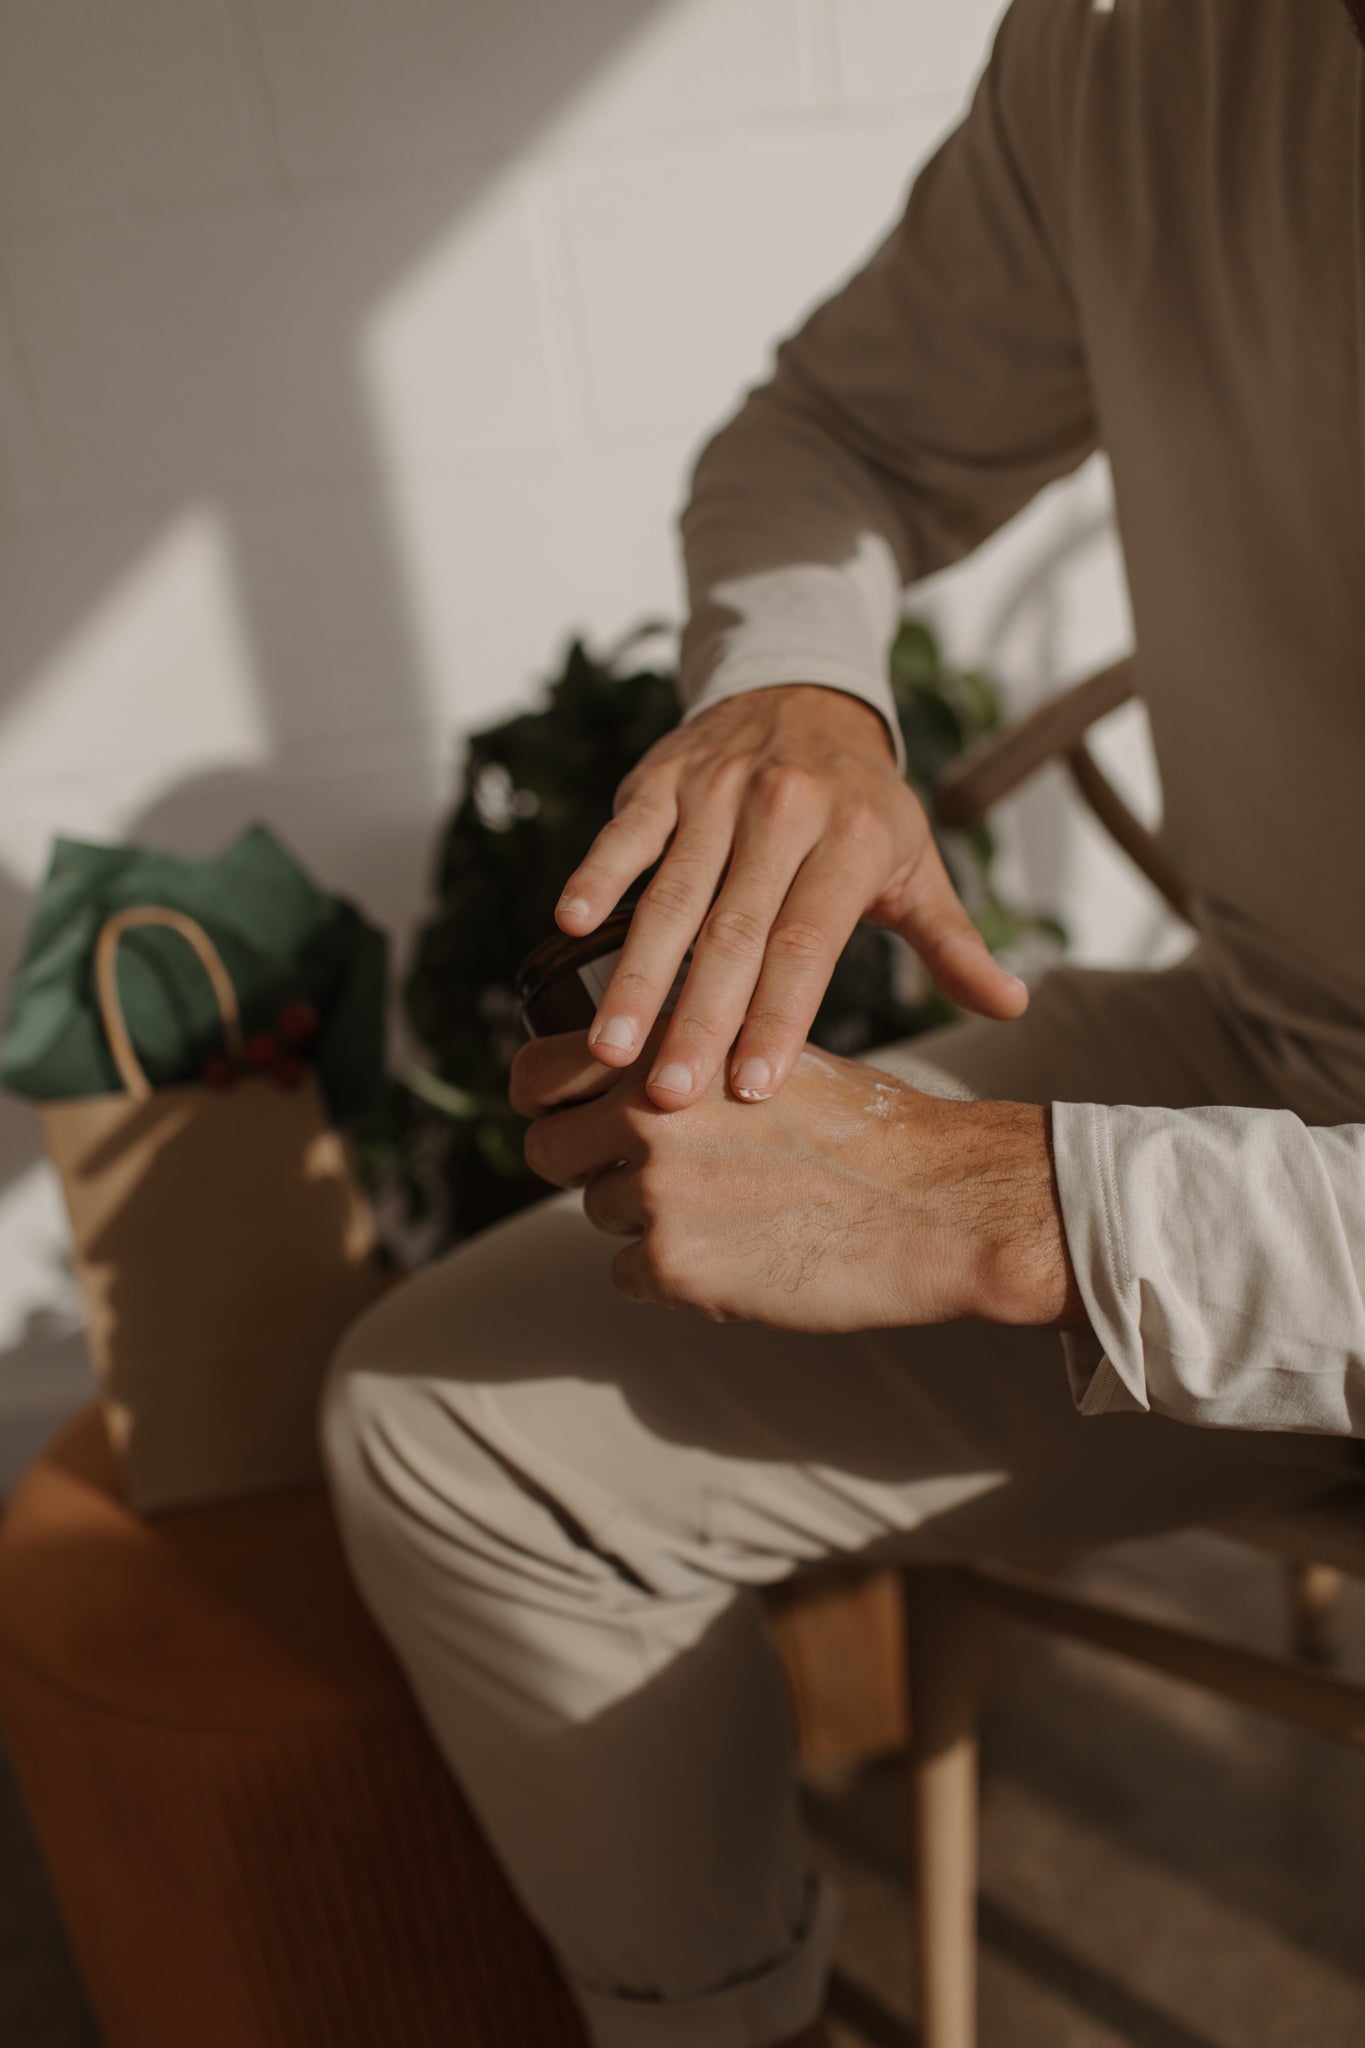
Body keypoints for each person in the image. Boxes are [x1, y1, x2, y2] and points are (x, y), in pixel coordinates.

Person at [322, 3, 1365, 2042]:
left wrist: (1012, 1203)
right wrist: (794, 685)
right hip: (1283, 1070)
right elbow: (843, 433)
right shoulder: (1131, 43)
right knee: (451, 1434)